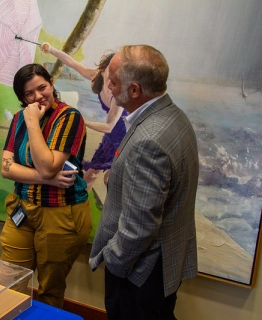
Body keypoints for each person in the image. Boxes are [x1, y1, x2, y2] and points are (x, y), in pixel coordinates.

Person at [89, 45, 199, 319]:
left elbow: (140, 226)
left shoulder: (149, 139)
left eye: (113, 81)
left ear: (135, 90)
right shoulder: (174, 115)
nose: (108, 87)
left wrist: (113, 260)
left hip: (139, 273)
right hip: (164, 265)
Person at [0, 63, 92, 308]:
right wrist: (46, 178)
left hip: (61, 214)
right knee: (9, 282)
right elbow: (6, 168)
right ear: (22, 97)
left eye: (42, 88)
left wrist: (32, 123)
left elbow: (48, 165)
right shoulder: (19, 118)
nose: (38, 96)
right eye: (30, 93)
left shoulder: (69, 117)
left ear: (51, 83)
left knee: (50, 289)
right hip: (22, 208)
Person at [40, 43, 128, 191]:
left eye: (117, 73)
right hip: (111, 137)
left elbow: (109, 126)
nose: (112, 78)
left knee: (108, 179)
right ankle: (80, 204)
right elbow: (72, 63)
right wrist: (51, 50)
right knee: (91, 174)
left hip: (123, 135)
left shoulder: (118, 94)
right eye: (110, 71)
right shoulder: (97, 75)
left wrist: (82, 120)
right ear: (104, 68)